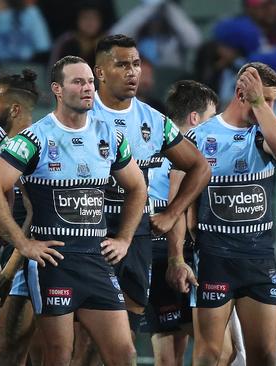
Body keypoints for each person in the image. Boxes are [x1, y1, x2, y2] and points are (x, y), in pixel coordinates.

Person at [0, 55, 147, 365]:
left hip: (96, 261)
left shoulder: (109, 136)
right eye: (78, 82)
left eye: (89, 82)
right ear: (57, 89)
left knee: (124, 354)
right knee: (57, 355)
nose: (87, 88)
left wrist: (124, 238)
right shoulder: (36, 138)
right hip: (54, 262)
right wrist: (23, 243)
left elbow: (138, 187)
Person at [176, 62, 276, 366]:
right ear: (241, 93)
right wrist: (177, 257)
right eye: (264, 98)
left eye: (273, 100)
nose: (270, 107)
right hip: (214, 259)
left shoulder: (263, 135)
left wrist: (262, 106)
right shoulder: (200, 137)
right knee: (208, 354)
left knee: (266, 355)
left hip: (258, 259)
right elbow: (179, 205)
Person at [91, 34, 210, 334]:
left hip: (136, 238)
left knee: (123, 339)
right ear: (100, 72)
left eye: (136, 64)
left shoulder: (153, 121)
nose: (132, 72)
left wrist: (172, 214)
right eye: (122, 65)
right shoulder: (81, 114)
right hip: (87, 233)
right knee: (80, 341)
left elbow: (199, 167)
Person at [145, 80, 218, 365]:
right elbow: (179, 209)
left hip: (152, 252)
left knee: (169, 353)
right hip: (174, 255)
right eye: (212, 117)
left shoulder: (149, 147)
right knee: (216, 350)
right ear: (195, 119)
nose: (215, 125)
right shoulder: (186, 157)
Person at [0, 69, 42, 366]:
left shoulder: (31, 148)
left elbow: (34, 217)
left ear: (14, 108)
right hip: (14, 257)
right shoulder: (2, 147)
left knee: (11, 354)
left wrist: (8, 272)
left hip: (29, 264)